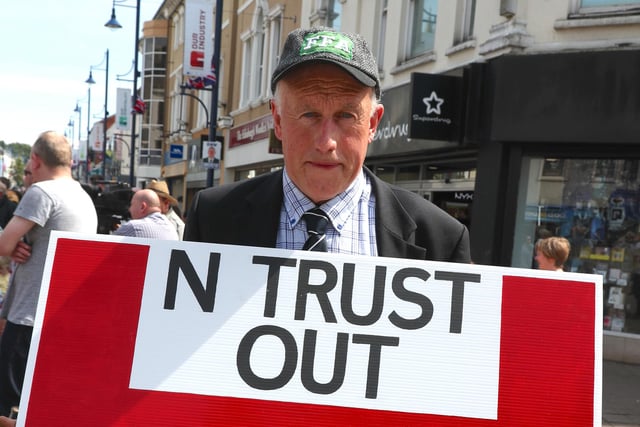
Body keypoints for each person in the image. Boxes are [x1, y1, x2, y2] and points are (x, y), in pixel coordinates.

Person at [185, 27, 470, 263]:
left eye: (346, 116)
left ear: (372, 124)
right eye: (309, 115)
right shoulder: (212, 217)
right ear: (278, 120)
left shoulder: (441, 238)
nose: (326, 142)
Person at [0, 131, 98, 417]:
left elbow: (4, 244)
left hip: (29, 314)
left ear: (35, 159)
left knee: (9, 408)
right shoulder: (82, 196)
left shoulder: (42, 193)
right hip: (62, 314)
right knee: (42, 406)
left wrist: (12, 243)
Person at [113, 189, 179, 240]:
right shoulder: (171, 227)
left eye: (132, 205)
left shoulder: (134, 227)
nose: (129, 209)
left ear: (142, 207)